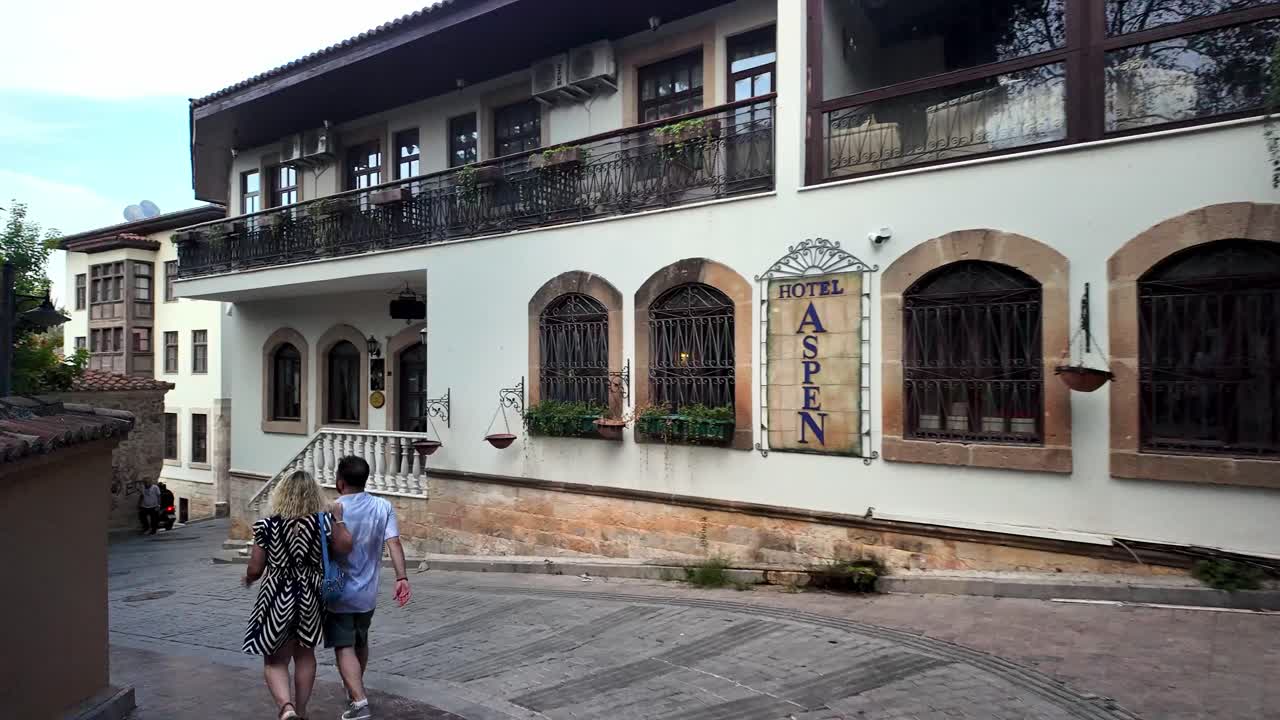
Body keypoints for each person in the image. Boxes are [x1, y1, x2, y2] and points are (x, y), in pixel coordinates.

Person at [243, 470, 353, 720]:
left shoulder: (267, 525)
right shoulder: (324, 522)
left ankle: (286, 708)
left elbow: (256, 568)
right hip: (311, 594)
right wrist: (338, 519)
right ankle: (301, 711)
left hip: (277, 593)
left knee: (274, 658)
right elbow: (345, 548)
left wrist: (248, 578)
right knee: (305, 653)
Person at [326, 456, 412, 720]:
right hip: (368, 591)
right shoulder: (382, 506)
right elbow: (394, 542)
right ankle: (354, 688)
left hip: (338, 591)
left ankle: (359, 700)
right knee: (360, 640)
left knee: (344, 645)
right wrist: (401, 578)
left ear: (340, 482)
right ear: (366, 479)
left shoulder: (333, 509)